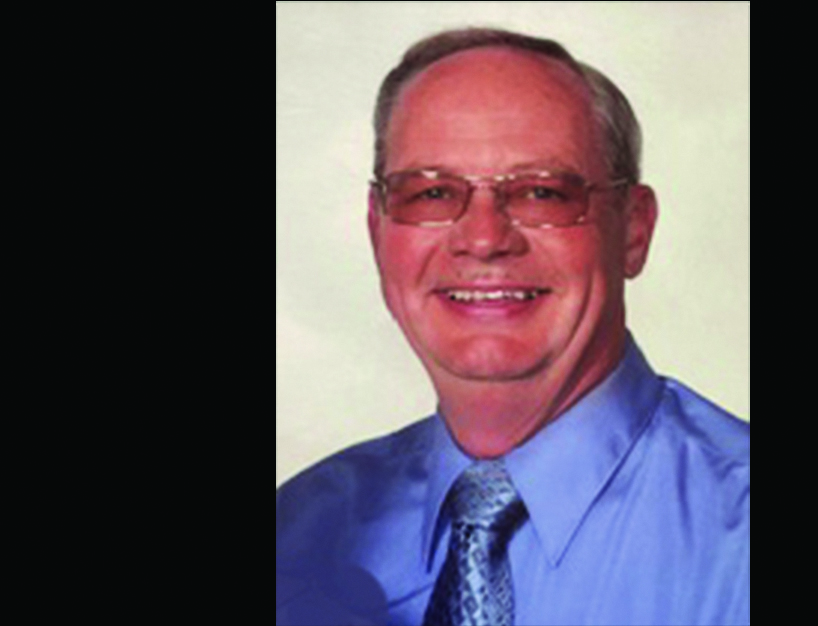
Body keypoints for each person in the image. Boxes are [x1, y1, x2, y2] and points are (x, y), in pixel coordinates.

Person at [276, 27, 749, 626]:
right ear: (378, 231)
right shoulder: (297, 534)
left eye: (542, 193)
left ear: (634, 229)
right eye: (433, 192)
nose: (483, 238)